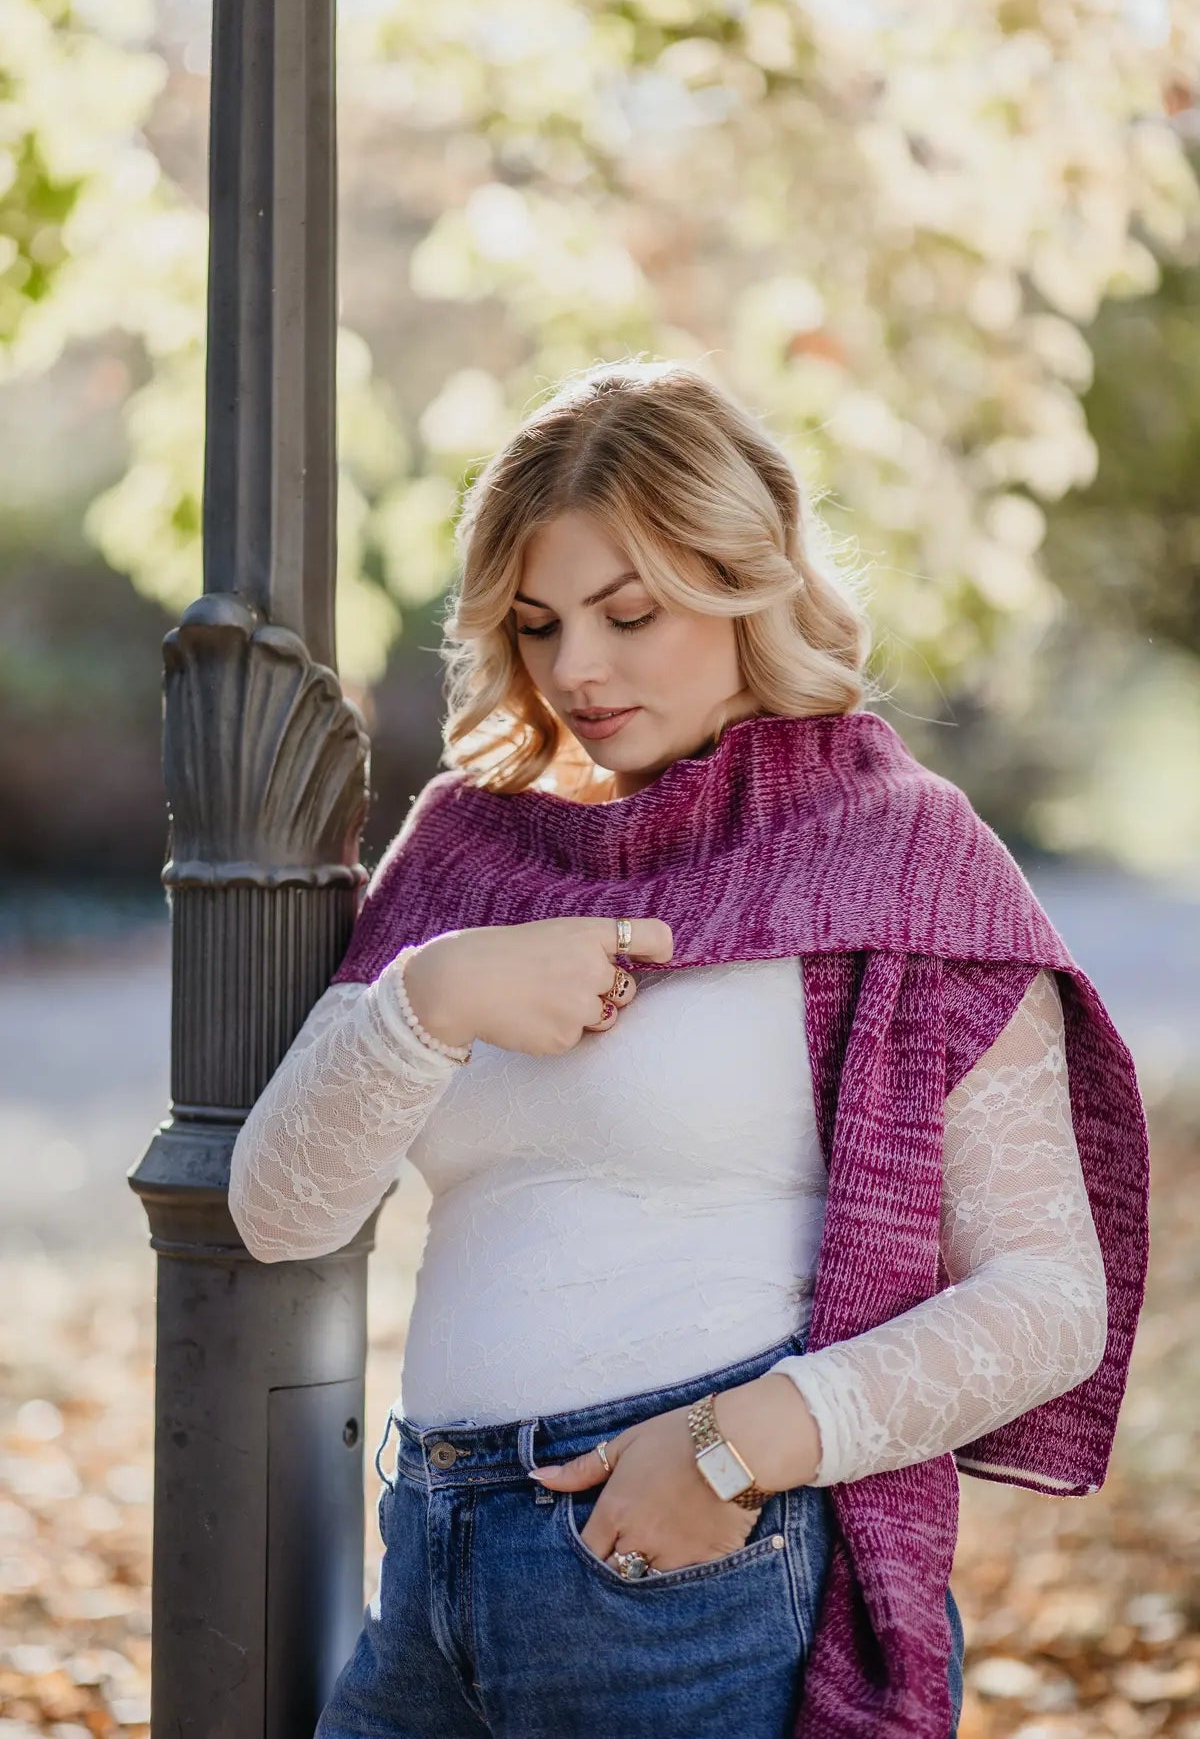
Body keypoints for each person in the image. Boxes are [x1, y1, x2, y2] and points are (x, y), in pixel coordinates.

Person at [227, 360, 1147, 1739]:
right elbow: (276, 1209)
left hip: (702, 1579)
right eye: (536, 625)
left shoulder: (896, 849)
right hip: (429, 1567)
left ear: (747, 581)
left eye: (630, 613)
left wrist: (732, 1451)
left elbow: (1049, 1295)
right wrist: (435, 995)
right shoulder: (469, 853)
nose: (575, 670)